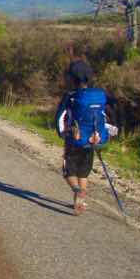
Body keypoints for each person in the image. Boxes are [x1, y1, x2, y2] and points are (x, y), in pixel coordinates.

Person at [55, 59, 116, 216]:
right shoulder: (99, 95)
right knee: (83, 172)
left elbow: (60, 115)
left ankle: (77, 191)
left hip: (74, 140)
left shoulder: (71, 96)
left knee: (68, 171)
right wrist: (108, 131)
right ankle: (80, 198)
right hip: (93, 141)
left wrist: (62, 132)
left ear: (72, 79)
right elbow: (108, 113)